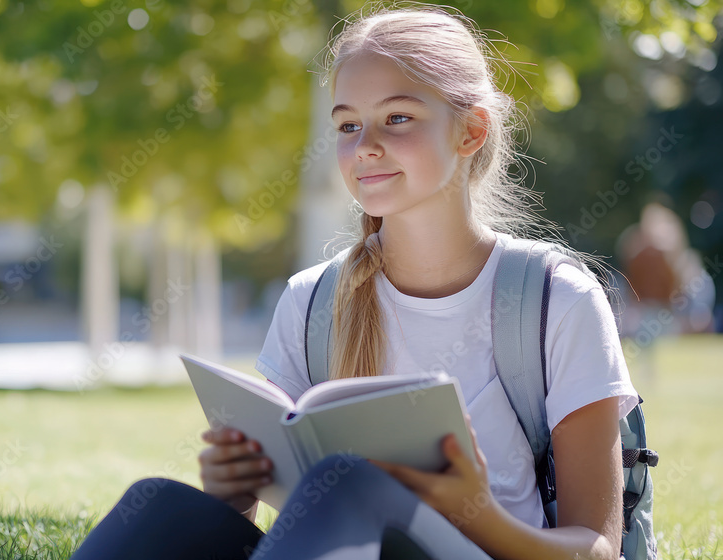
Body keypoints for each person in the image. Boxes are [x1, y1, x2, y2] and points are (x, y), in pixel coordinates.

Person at [69, 3, 639, 559]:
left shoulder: (556, 300)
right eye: (346, 124)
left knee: (352, 484)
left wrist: (478, 511)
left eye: (397, 118)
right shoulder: (310, 300)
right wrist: (236, 493)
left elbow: (596, 548)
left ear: (470, 130)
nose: (365, 144)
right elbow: (288, 509)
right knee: (157, 503)